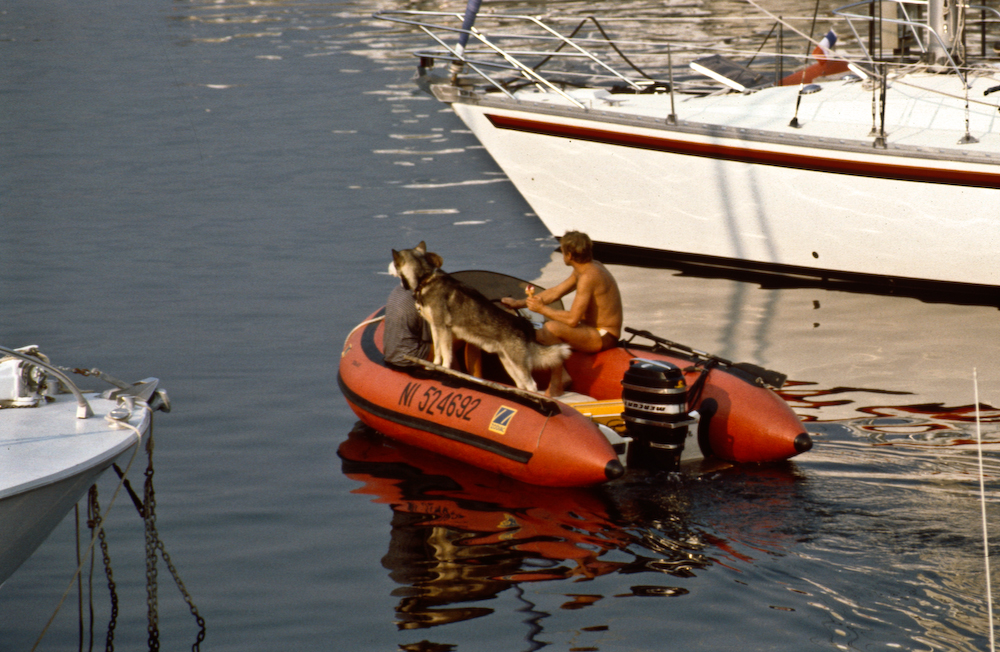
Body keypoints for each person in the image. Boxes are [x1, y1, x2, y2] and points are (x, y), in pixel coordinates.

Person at [502, 231, 623, 397]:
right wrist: (519, 303)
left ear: (570, 255)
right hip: (591, 329)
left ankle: (558, 383)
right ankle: (562, 375)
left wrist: (542, 310)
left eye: (562, 251)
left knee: (550, 328)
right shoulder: (587, 268)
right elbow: (555, 293)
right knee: (542, 333)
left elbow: (573, 320)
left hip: (604, 335)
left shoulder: (589, 276)